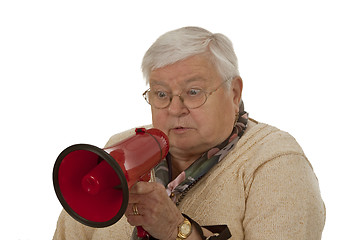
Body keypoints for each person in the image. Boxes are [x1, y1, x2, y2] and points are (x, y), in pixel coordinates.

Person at [53, 26, 325, 240]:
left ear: (234, 93)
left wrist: (177, 231)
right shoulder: (118, 148)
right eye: (161, 94)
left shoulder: (275, 162)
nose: (175, 108)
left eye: (193, 92)